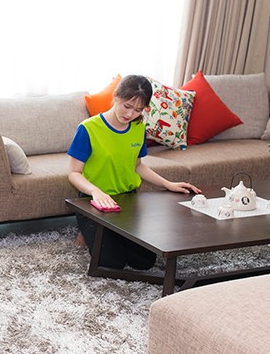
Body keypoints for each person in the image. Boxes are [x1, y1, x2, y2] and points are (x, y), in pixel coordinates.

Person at [67, 74, 201, 270]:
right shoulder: (88, 129)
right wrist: (96, 192)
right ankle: (87, 229)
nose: (130, 114)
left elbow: (137, 165)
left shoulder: (138, 128)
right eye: (127, 106)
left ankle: (108, 234)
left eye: (138, 110)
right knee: (112, 263)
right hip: (94, 202)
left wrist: (168, 184)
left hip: (127, 201)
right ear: (115, 96)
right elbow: (74, 173)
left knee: (144, 262)